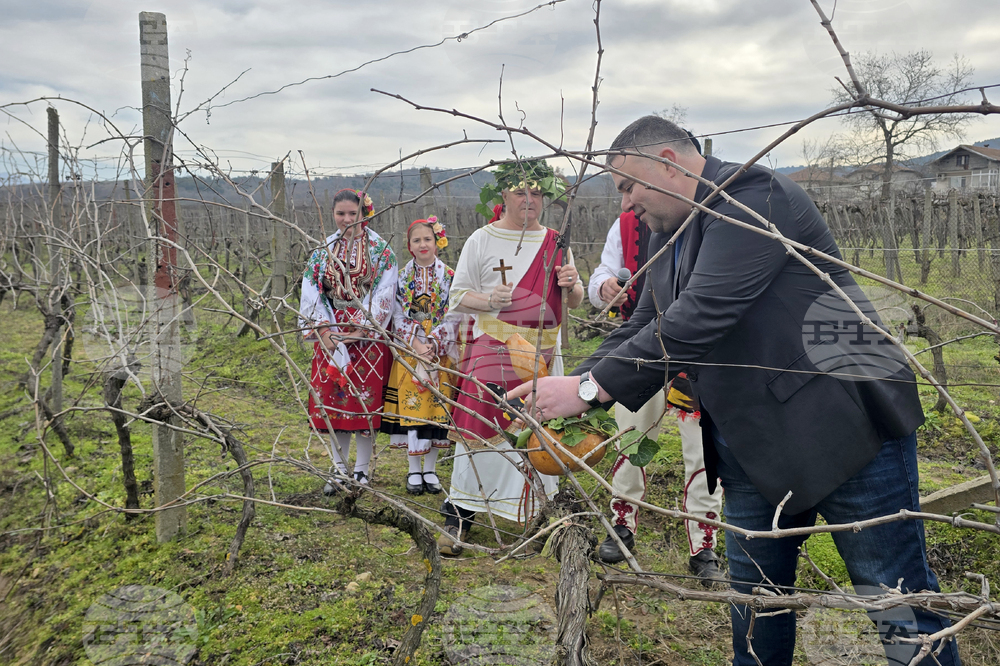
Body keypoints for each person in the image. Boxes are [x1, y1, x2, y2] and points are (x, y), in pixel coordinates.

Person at [509, 116, 959, 665]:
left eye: (627, 185)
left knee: (895, 599)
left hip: (849, 426)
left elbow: (701, 317)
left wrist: (588, 388)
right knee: (754, 609)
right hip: (751, 444)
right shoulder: (664, 233)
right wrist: (570, 381)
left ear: (668, 161)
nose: (626, 204)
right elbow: (642, 323)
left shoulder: (755, 197)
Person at [438, 158, 585, 556]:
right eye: (521, 192)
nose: (529, 201)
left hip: (542, 355)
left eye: (537, 193)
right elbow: (455, 297)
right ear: (504, 194)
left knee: (535, 434)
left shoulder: (556, 241)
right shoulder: (482, 240)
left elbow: (576, 298)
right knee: (479, 434)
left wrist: (571, 286)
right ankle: (459, 516)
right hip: (492, 350)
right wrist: (489, 299)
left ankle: (532, 518)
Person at [589, 208, 723, 584]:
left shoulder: (713, 219)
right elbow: (604, 269)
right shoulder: (629, 221)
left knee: (701, 445)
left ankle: (704, 542)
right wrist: (603, 287)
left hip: (696, 353)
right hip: (638, 345)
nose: (631, 197)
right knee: (631, 436)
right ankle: (622, 523)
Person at [299, 189, 397, 492]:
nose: (346, 220)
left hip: (367, 341)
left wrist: (357, 330)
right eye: (340, 214)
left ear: (363, 213)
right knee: (334, 405)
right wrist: (325, 331)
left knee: (364, 404)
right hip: (329, 337)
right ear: (332, 214)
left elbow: (385, 294)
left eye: (352, 214)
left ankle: (362, 470)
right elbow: (310, 292)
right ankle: (338, 468)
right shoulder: (321, 252)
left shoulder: (381, 251)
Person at [381, 216, 460, 495]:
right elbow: (397, 312)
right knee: (414, 407)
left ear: (438, 240)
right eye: (417, 240)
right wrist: (416, 343)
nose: (423, 244)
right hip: (411, 349)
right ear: (409, 245)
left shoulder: (450, 276)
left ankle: (431, 469)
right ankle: (414, 470)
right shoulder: (401, 277)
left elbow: (455, 312)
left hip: (440, 352)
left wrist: (435, 343)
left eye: (428, 238)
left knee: (437, 409)